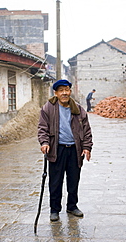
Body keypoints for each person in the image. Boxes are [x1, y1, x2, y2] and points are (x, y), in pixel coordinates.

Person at [38, 79, 93, 222]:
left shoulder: (78, 109)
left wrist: (87, 147)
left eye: (67, 90)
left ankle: (72, 206)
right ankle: (54, 209)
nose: (64, 93)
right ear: (55, 93)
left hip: (75, 150)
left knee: (73, 180)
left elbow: (86, 130)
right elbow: (42, 128)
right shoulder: (48, 108)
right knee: (55, 181)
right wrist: (44, 143)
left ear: (70, 91)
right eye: (61, 90)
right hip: (57, 149)